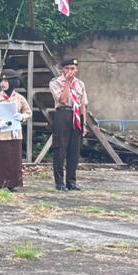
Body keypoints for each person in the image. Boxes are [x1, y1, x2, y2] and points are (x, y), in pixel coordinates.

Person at [0, 69, 31, 190]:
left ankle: (12, 183)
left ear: (13, 82)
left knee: (13, 159)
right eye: (1, 81)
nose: (3, 84)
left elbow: (28, 112)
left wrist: (22, 117)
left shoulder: (19, 98)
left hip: (14, 133)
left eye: (6, 81)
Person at [49, 58, 88, 191]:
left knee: (74, 150)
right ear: (62, 70)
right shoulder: (55, 82)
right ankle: (59, 182)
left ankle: (71, 181)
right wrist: (66, 82)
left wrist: (84, 123)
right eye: (68, 68)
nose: (71, 71)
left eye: (73, 69)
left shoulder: (80, 84)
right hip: (63, 114)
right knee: (60, 148)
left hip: (77, 115)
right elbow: (63, 100)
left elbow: (83, 104)